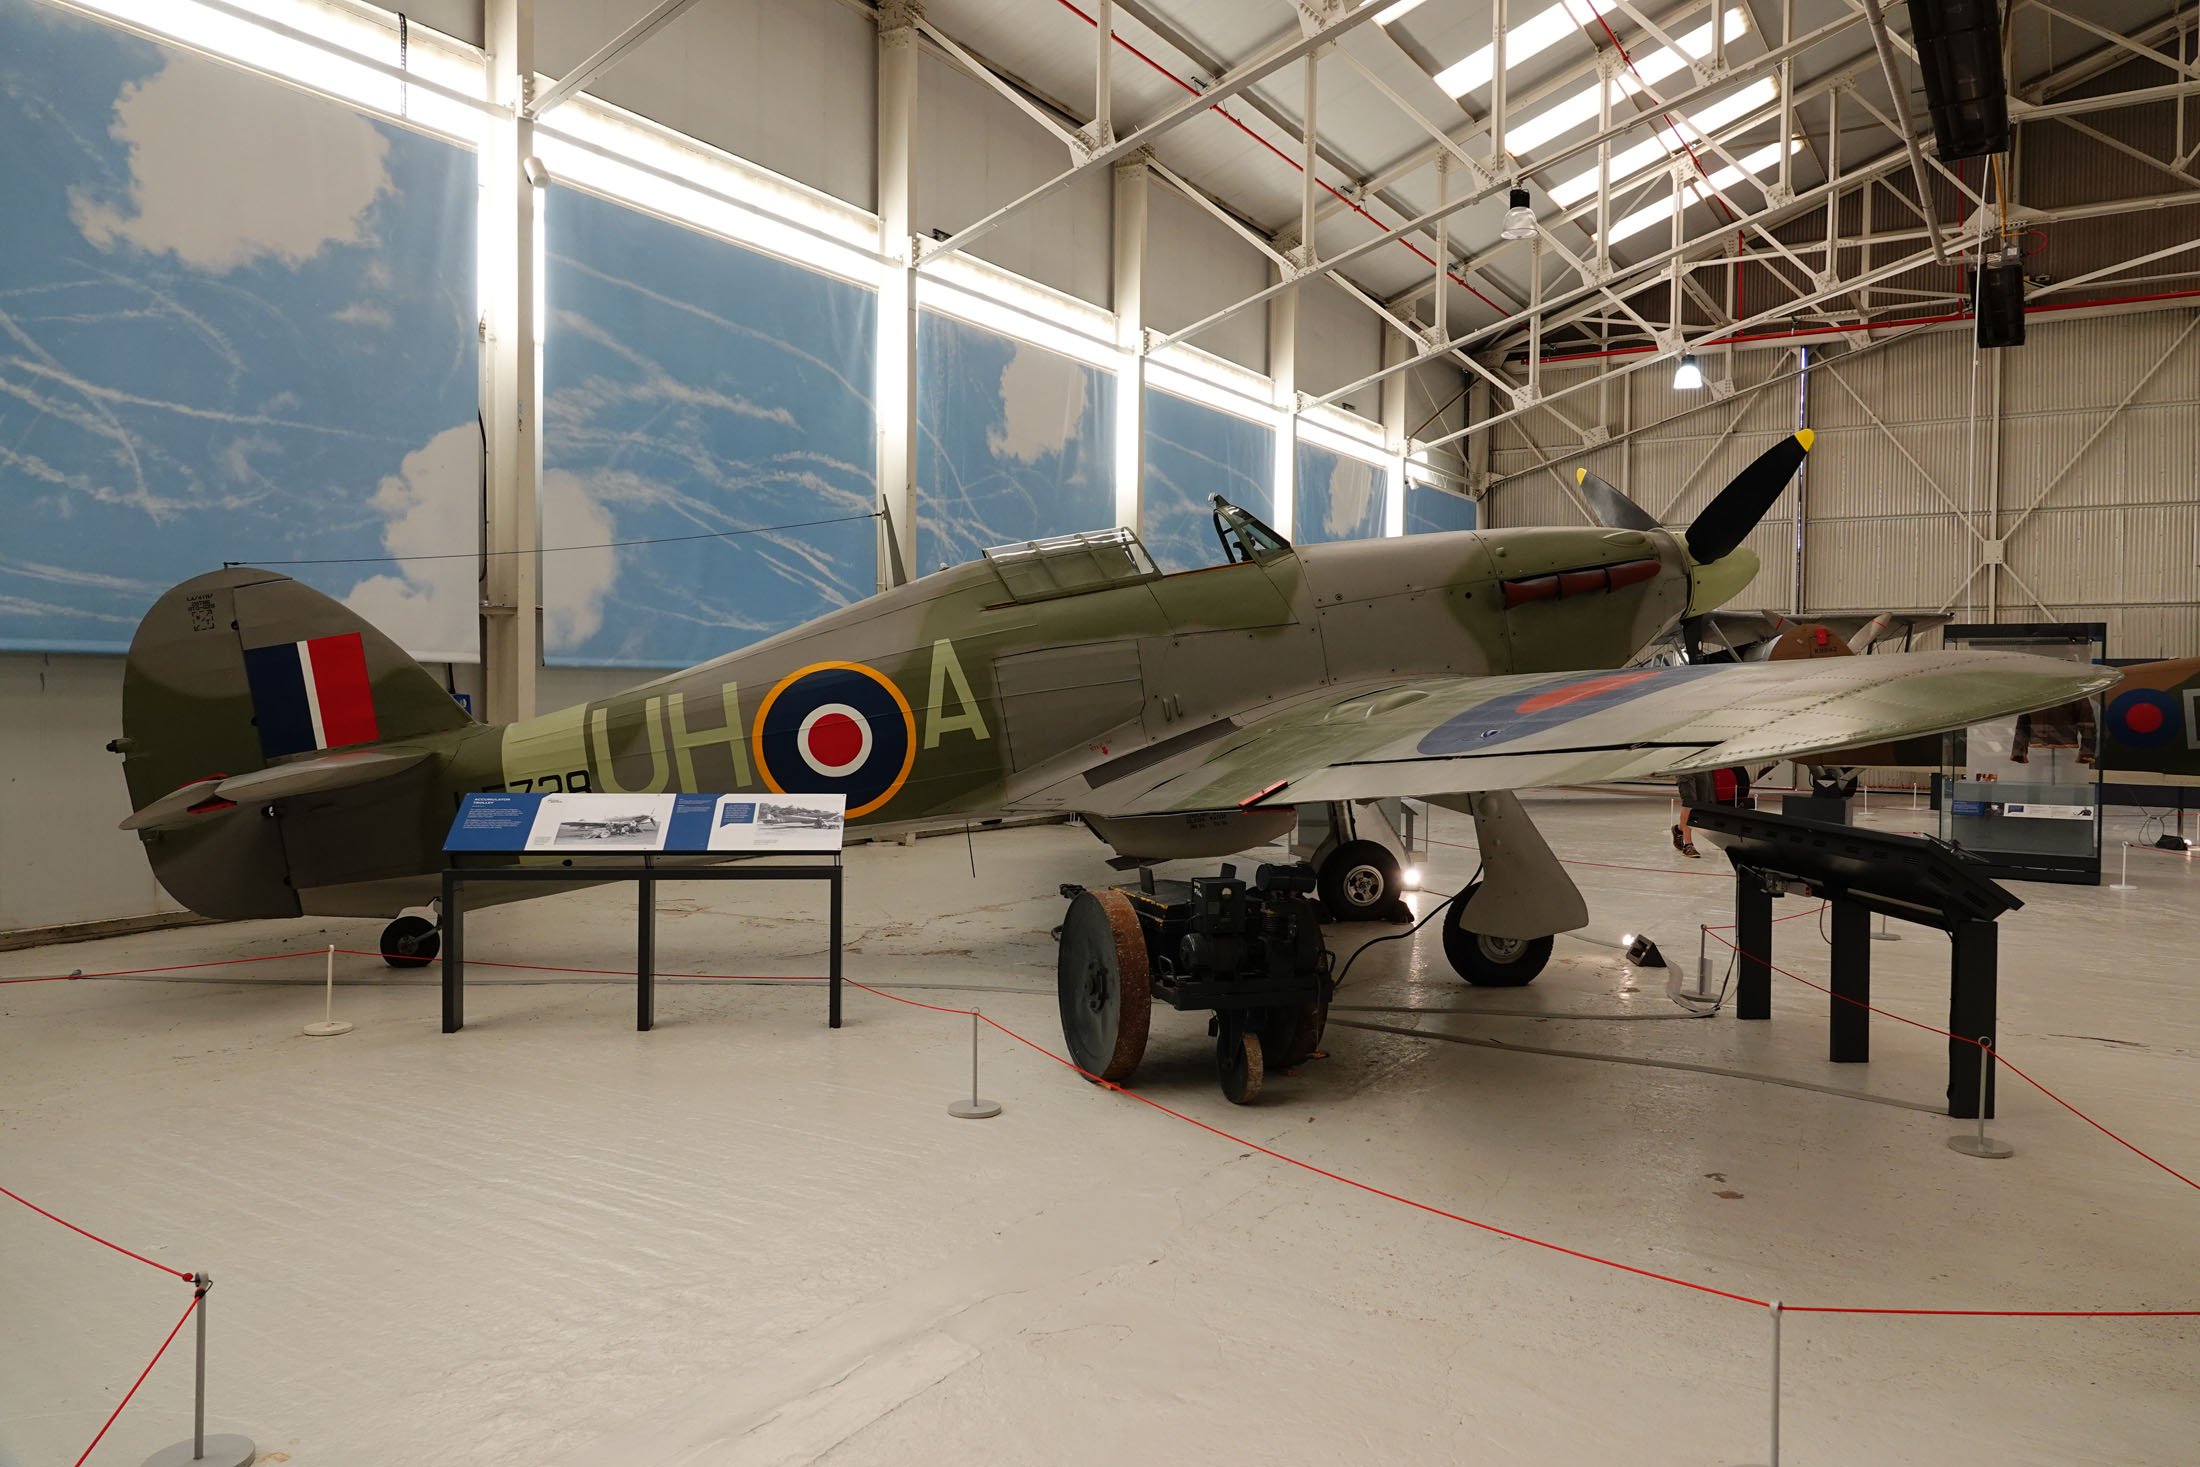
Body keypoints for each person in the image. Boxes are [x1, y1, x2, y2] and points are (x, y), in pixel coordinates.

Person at [1671, 765, 1752, 858]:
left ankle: (1678, 829)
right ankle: (1688, 844)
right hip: (1685, 763)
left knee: (1702, 805)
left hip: (1703, 763)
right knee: (1689, 802)